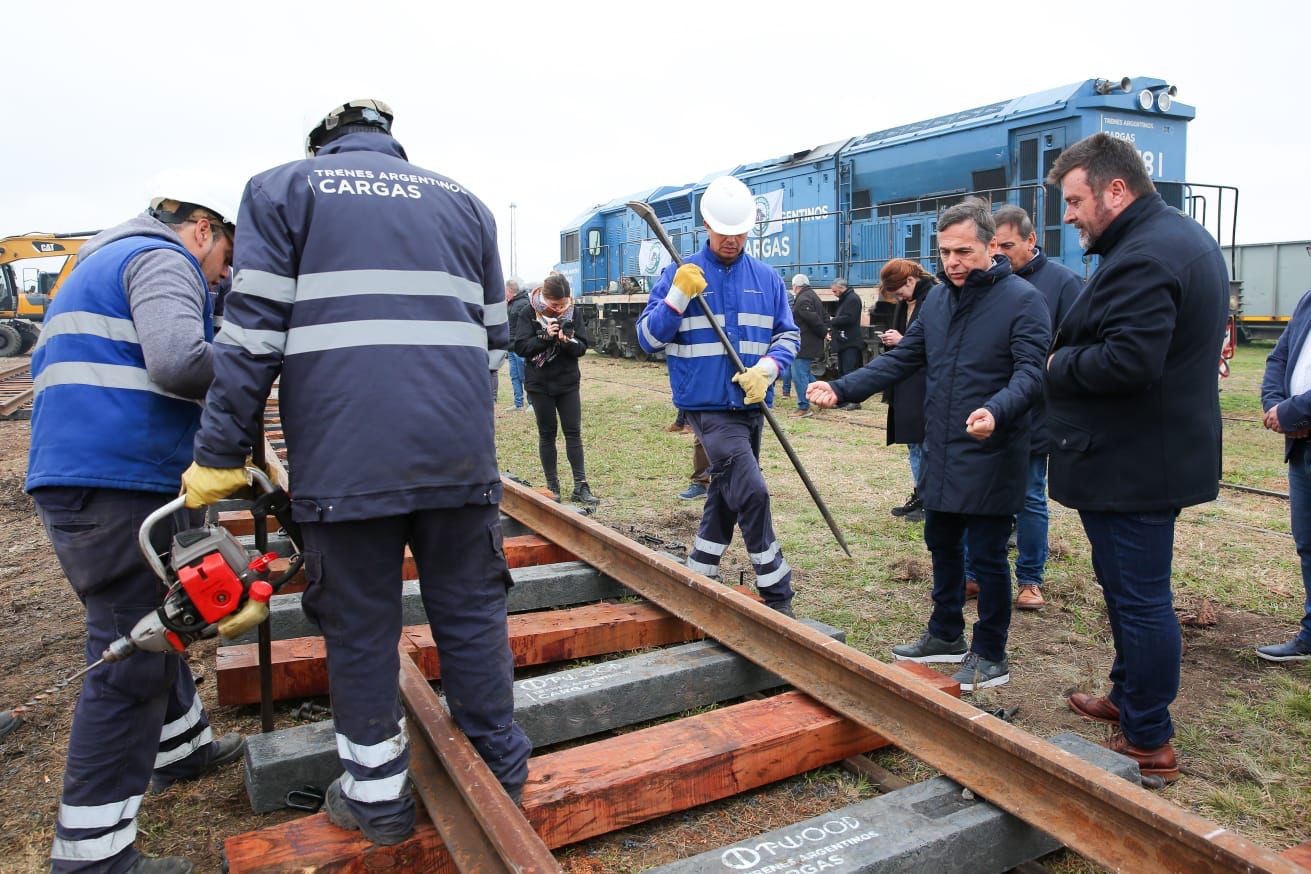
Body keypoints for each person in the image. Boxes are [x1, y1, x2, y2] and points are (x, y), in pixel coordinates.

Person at [180, 99, 532, 845]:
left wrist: (217, 455)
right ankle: (498, 772)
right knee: (471, 610)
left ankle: (377, 798)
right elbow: (496, 345)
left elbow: (248, 342)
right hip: (457, 456)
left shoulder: (283, 189)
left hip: (346, 464)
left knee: (360, 625)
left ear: (324, 144)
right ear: (390, 144)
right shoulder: (465, 203)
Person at [26, 193, 245, 873]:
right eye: (223, 264)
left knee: (159, 623)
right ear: (202, 229)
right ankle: (93, 857)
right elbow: (180, 362)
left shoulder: (102, 260)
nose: (217, 279)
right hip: (119, 484)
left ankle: (182, 750)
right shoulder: (161, 257)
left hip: (89, 478)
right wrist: (257, 363)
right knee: (133, 661)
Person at [808, 198, 1049, 691]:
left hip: (991, 450)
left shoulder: (1023, 301)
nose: (953, 262)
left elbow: (1031, 374)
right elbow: (901, 362)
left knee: (986, 556)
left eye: (964, 251)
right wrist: (843, 385)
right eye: (945, 253)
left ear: (991, 246)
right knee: (940, 541)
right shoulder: (938, 301)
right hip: (941, 449)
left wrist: (996, 410)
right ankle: (945, 635)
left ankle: (990, 653)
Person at [1046, 133, 1228, 783]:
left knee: (1140, 599)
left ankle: (1149, 737)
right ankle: (1128, 695)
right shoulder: (1173, 237)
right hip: (1148, 454)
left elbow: (1127, 360)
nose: (1067, 216)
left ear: (1114, 190)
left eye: (1074, 201)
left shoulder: (1144, 255)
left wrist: (1053, 363)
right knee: (1127, 592)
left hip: (1132, 464)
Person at [636, 174, 800, 615]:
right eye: (724, 232)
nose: (732, 240)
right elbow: (648, 340)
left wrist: (768, 368)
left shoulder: (767, 280)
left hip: (752, 404)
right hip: (706, 408)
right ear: (706, 226)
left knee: (726, 492)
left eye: (740, 231)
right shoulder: (678, 274)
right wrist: (675, 299)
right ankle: (777, 587)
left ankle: (701, 569)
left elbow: (788, 335)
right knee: (753, 492)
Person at [960, 206, 1084, 609]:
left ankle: (1030, 580)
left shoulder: (1063, 284)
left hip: (1034, 412)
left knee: (1029, 495)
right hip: (982, 410)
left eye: (1008, 245)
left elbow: (1078, 346)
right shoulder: (981, 282)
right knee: (974, 490)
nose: (1001, 252)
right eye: (994, 244)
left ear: (1032, 241)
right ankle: (973, 573)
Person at [514, 272, 600, 505]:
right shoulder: (528, 313)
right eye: (554, 305)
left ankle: (580, 486)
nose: (560, 309)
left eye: (563, 305)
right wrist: (545, 337)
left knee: (573, 433)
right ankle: (553, 487)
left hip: (568, 382)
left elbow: (583, 346)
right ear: (544, 297)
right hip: (539, 384)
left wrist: (566, 341)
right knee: (547, 433)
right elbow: (521, 346)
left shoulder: (574, 313)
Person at [1259, 287, 1311, 662]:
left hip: (1301, 424)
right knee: (1308, 544)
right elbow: (1278, 357)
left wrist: (1295, 412)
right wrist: (1276, 405)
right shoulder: (1308, 299)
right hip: (1302, 445)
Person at [876, 259, 934, 520]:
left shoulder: (934, 298)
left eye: (899, 291)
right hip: (906, 382)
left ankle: (928, 500)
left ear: (911, 281)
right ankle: (921, 494)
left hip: (925, 384)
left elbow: (936, 341)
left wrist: (903, 340)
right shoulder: (907, 303)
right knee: (914, 443)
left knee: (924, 443)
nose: (897, 296)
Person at [789, 272, 827, 419]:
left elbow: (814, 319)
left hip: (803, 343)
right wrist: (825, 330)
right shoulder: (813, 296)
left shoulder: (802, 299)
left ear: (795, 286)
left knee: (798, 375)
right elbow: (824, 316)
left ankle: (803, 407)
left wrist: (824, 332)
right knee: (805, 373)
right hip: (811, 342)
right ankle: (821, 398)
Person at [828, 277, 864, 409]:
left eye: (835, 291)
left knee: (849, 371)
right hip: (844, 340)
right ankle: (843, 400)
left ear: (842, 288)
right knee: (843, 371)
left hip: (850, 341)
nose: (834, 294)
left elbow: (849, 318)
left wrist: (832, 320)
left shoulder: (852, 299)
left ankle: (854, 401)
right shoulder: (846, 299)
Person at [505, 278, 531, 411]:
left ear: (511, 291)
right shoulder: (510, 303)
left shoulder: (523, 303)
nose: (504, 294)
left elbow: (525, 326)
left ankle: (532, 403)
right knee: (514, 375)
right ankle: (518, 404)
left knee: (525, 375)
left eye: (506, 291)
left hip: (520, 347)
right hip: (510, 346)